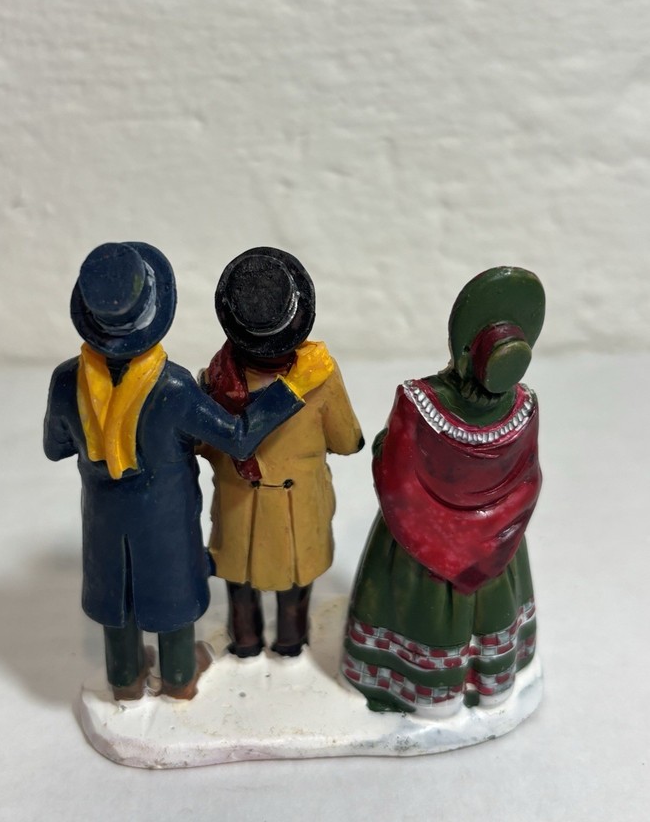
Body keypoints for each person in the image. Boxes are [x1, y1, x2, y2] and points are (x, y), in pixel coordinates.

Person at [44, 242, 314, 700]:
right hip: (165, 519)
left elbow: (55, 447)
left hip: (104, 518)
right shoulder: (173, 386)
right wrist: (291, 388)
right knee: (171, 595)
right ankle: (179, 677)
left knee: (117, 598)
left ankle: (125, 680)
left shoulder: (67, 380)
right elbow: (237, 437)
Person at [342, 266, 546, 716]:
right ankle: (488, 686)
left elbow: (394, 477)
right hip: (497, 548)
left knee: (420, 611)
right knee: (491, 607)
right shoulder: (525, 406)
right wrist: (492, 532)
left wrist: (381, 447)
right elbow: (529, 480)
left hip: (418, 545)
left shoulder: (419, 401)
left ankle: (420, 692)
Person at [199, 247, 363, 657]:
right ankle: (290, 641)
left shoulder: (215, 379)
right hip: (297, 504)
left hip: (238, 504)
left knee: (240, 579)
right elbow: (347, 441)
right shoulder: (320, 375)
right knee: (296, 578)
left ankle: (246, 640)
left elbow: (203, 444)